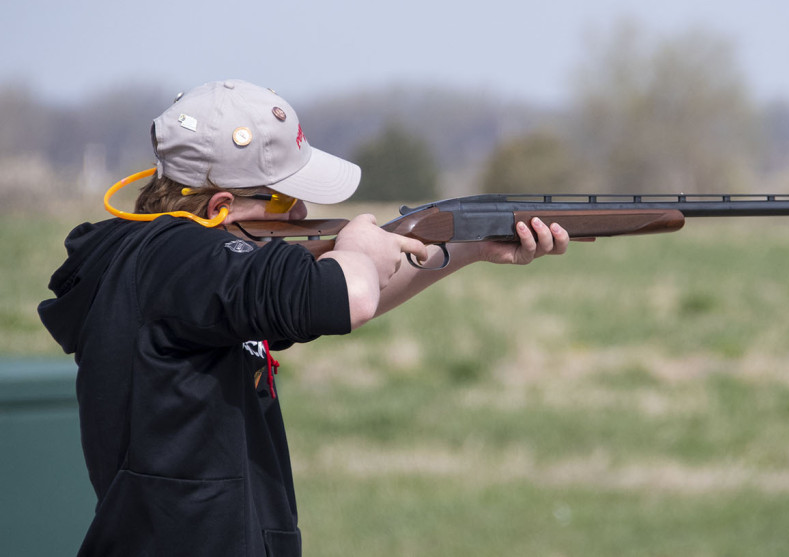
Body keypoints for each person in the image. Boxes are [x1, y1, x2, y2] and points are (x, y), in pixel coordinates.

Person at [37, 79, 570, 556]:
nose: (300, 215)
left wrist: (469, 247)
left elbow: (336, 296)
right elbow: (347, 296)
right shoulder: (178, 261)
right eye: (287, 199)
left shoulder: (185, 270)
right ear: (222, 203)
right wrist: (358, 245)